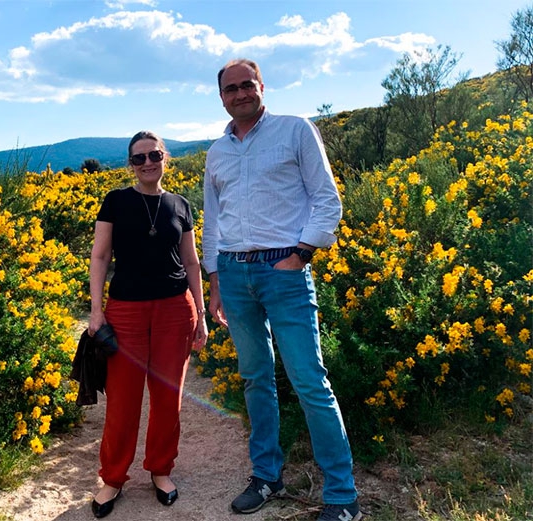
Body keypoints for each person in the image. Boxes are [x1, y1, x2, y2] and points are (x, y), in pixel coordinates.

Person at [201, 58, 362, 521]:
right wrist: (215, 282)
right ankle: (267, 476)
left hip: (284, 271)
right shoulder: (217, 152)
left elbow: (327, 198)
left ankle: (342, 496)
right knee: (255, 379)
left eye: (246, 85)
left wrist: (302, 254)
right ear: (222, 97)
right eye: (230, 89)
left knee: (310, 381)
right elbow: (214, 222)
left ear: (261, 86)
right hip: (233, 273)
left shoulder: (295, 130)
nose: (239, 94)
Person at [88, 131, 209, 518]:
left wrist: (201, 316)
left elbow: (191, 262)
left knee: (167, 398)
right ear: (130, 164)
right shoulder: (116, 201)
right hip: (125, 311)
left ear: (165, 157)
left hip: (176, 309)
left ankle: (161, 470)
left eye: (154, 155)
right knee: (122, 400)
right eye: (138, 158)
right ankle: (112, 478)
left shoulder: (180, 205)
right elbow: (100, 256)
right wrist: (96, 310)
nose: (147, 163)